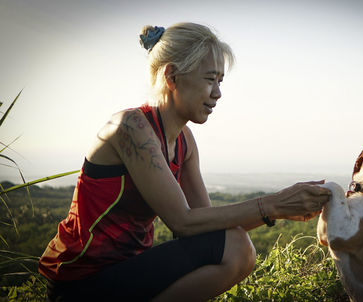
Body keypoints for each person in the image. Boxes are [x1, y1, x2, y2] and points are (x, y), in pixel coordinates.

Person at [38, 22, 331, 301]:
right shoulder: (130, 127)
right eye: (209, 79)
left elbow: (206, 224)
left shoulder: (185, 141)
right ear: (172, 76)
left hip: (127, 272)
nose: (217, 93)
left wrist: (280, 209)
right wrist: (274, 204)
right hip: (80, 281)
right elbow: (183, 221)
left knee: (237, 246)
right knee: (238, 247)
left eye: (220, 80)